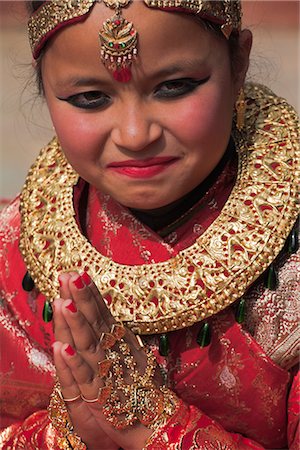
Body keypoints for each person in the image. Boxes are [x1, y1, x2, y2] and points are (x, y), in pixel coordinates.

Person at [0, 0, 299, 448]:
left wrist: (155, 428)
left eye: (174, 86)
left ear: (239, 62)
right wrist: (68, 435)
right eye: (89, 98)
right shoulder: (7, 251)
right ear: (45, 83)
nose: (135, 135)